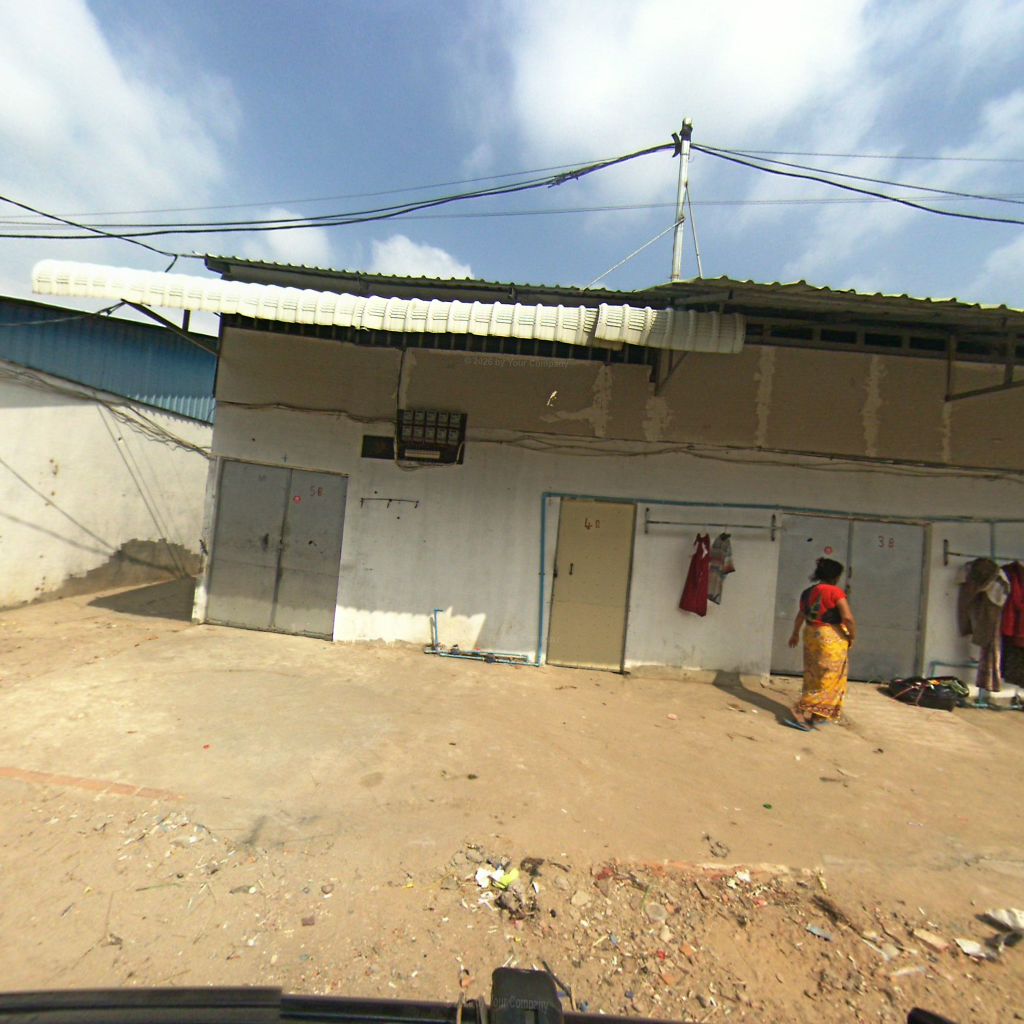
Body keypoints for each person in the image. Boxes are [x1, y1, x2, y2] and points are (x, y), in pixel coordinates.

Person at [785, 557, 856, 731]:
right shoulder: (835, 592)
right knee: (830, 676)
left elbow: (801, 615)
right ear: (835, 576)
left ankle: (817, 715)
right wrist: (852, 635)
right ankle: (800, 709)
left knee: (813, 674)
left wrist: (795, 634)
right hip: (830, 637)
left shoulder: (807, 592)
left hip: (811, 634)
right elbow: (847, 618)